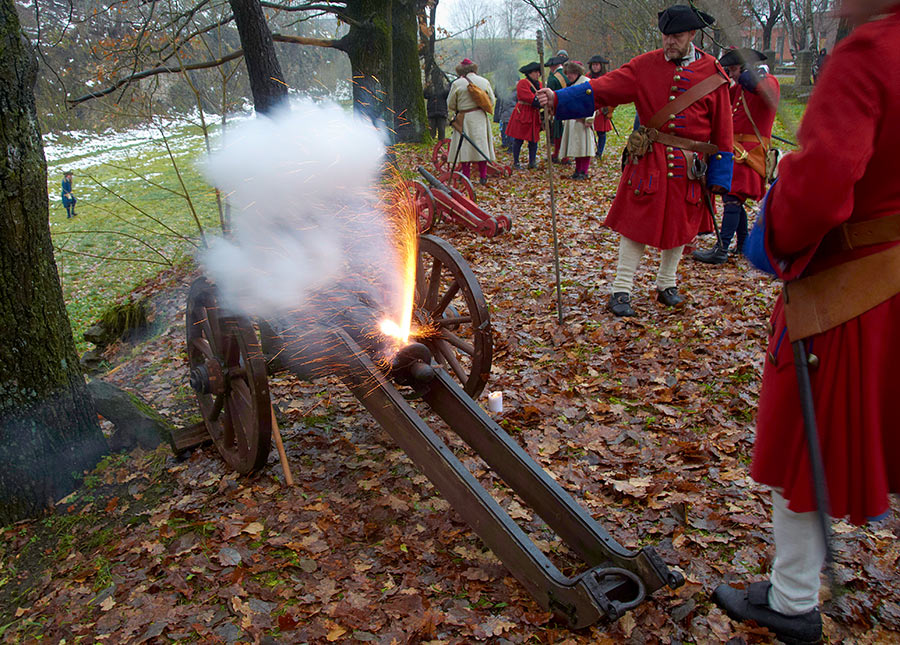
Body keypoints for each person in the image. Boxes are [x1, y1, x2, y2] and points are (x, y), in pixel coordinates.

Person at [712, 2, 900, 643]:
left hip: (858, 289)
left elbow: (820, 191)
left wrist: (778, 223)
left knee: (803, 438)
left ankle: (791, 600)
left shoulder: (871, 52)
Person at [537, 4, 733, 316]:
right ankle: (621, 289)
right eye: (666, 36)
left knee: (681, 225)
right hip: (650, 160)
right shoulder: (644, 65)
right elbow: (602, 88)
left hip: (690, 166)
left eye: (677, 36)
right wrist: (558, 98)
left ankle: (667, 284)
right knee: (635, 225)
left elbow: (723, 129)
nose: (669, 42)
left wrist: (720, 176)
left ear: (692, 35)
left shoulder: (713, 72)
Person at [693, 48, 780, 264]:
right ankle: (742, 245)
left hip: (750, 152)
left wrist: (748, 74)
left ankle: (721, 249)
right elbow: (720, 100)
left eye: (733, 69)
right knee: (734, 198)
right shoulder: (739, 88)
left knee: (733, 197)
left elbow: (765, 91)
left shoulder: (767, 81)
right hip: (735, 149)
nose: (731, 75)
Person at [447, 58, 496, 186]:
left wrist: (460, 107)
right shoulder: (484, 82)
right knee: (481, 146)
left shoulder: (457, 84)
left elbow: (450, 104)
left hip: (464, 118)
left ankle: (466, 177)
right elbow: (491, 101)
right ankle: (483, 176)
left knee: (465, 148)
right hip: (480, 117)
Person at [558, 61, 594, 180]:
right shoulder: (572, 84)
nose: (569, 76)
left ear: (577, 72)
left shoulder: (586, 82)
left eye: (571, 73)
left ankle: (584, 170)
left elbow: (593, 102)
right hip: (573, 119)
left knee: (584, 146)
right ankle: (578, 170)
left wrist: (589, 118)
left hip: (583, 120)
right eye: (567, 73)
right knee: (577, 146)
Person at [506, 62, 543, 170]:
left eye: (539, 72)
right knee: (518, 139)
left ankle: (532, 162)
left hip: (534, 114)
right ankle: (516, 162)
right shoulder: (522, 83)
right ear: (529, 73)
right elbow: (527, 97)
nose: (538, 74)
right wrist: (539, 101)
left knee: (534, 140)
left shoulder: (540, 84)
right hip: (523, 113)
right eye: (535, 72)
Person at [587, 54, 614, 159]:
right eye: (593, 65)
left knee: (601, 132)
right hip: (590, 106)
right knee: (589, 130)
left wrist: (606, 109)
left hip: (602, 107)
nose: (595, 67)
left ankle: (599, 152)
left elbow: (610, 93)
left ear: (601, 66)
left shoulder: (607, 77)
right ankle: (590, 150)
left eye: (597, 65)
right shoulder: (587, 77)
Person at [546, 50, 570, 164]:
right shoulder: (567, 74)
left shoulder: (553, 78)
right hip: (569, 106)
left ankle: (558, 154)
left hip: (558, 106)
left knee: (558, 132)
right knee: (566, 132)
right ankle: (564, 155)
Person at [423, 69, 450, 141]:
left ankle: (441, 144)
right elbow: (425, 95)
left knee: (441, 131)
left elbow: (447, 95)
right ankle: (433, 144)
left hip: (441, 112)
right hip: (432, 112)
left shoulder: (444, 87)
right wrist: (427, 87)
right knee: (431, 132)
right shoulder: (430, 87)